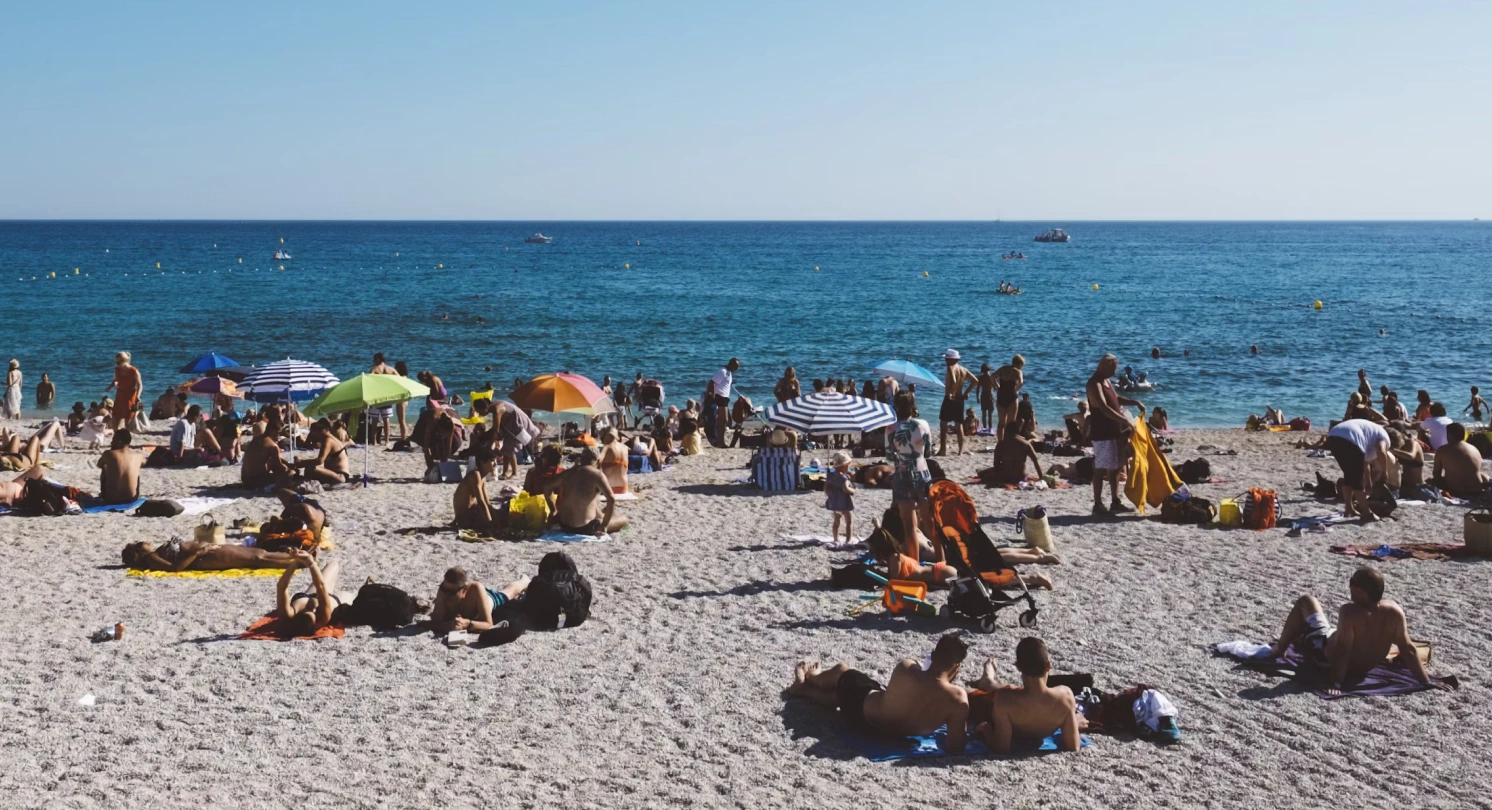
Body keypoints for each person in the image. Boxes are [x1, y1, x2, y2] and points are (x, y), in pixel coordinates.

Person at [1267, 567, 1448, 696]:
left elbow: (1343, 651)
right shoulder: (1394, 612)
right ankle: (1296, 637)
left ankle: (1279, 649)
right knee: (1317, 629)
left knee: (1306, 601)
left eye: (1352, 583)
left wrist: (1335, 683)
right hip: (1362, 666)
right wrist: (1425, 681)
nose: (1350, 586)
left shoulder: (1350, 612)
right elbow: (1408, 649)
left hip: (1323, 653)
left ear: (1359, 591)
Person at [784, 634, 972, 753]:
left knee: (843, 671)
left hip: (863, 717)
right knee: (837, 697)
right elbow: (954, 746)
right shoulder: (958, 700)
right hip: (895, 736)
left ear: (933, 655)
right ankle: (805, 690)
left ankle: (811, 678)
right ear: (957, 667)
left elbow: (920, 683)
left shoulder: (908, 668)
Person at [970, 637, 1084, 754]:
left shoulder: (1004, 699)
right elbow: (1073, 746)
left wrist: (986, 730)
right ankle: (988, 681)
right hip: (1044, 703)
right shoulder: (1066, 696)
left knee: (976, 694)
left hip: (1016, 703)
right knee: (1014, 689)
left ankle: (988, 681)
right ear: (1048, 666)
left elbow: (1002, 748)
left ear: (1018, 667)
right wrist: (1073, 722)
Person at [1085, 355, 1142, 516]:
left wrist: (1134, 402)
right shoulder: (1094, 383)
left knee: (1115, 467)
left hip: (1115, 431)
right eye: (1112, 368)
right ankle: (1097, 504)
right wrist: (1124, 420)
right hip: (1102, 432)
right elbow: (1103, 407)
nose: (1114, 372)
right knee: (1100, 468)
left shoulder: (1106, 381)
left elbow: (1115, 399)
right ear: (1103, 366)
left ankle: (1115, 501)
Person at [886, 393, 936, 560]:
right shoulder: (923, 424)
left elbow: (888, 456)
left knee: (909, 525)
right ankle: (942, 559)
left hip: (903, 474)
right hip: (923, 473)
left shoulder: (891, 427)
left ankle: (914, 563)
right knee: (930, 522)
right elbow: (928, 451)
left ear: (897, 406)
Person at [541, 447, 628, 535]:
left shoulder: (568, 472)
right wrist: (604, 526)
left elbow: (547, 487)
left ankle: (601, 516)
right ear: (598, 461)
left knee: (591, 497)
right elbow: (611, 499)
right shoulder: (597, 475)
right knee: (623, 519)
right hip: (586, 527)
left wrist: (553, 510)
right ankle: (602, 521)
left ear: (581, 458)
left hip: (564, 525)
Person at [1326, 418, 1392, 522]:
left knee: (1349, 476)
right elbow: (1381, 450)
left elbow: (1365, 463)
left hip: (1333, 436)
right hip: (1350, 437)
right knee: (1357, 480)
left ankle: (1349, 509)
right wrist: (1385, 473)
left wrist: (1369, 482)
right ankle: (1366, 513)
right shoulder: (1384, 437)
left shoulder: (1369, 436)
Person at [430, 567, 531, 634]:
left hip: (489, 599)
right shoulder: (444, 590)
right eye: (444, 590)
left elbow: (488, 624)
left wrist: (468, 624)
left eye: (452, 593)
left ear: (464, 590)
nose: (446, 595)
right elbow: (434, 622)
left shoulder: (476, 589)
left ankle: (525, 581)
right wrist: (446, 626)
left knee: (508, 593)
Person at [273, 550, 348, 637]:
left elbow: (281, 587)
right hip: (333, 600)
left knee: (333, 564)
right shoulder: (323, 617)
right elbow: (321, 586)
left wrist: (297, 562)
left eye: (307, 610)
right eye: (314, 613)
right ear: (315, 624)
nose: (313, 609)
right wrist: (311, 563)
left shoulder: (289, 614)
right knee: (355, 595)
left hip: (311, 593)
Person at [122, 539, 303, 572]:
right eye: (139, 545)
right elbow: (175, 568)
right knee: (254, 559)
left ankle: (297, 557)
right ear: (139, 554)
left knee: (258, 553)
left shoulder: (154, 553)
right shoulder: (151, 558)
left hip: (206, 551)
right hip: (204, 557)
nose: (144, 542)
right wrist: (198, 552)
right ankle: (297, 564)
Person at [938, 350, 978, 456]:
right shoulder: (963, 369)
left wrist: (951, 392)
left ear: (952, 359)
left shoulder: (951, 367)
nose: (945, 360)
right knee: (959, 424)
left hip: (951, 398)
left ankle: (943, 450)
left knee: (943, 423)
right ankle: (960, 450)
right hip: (960, 398)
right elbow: (975, 381)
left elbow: (954, 381)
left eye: (947, 358)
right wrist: (965, 393)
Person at [1432, 423, 1486, 499]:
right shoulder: (1474, 448)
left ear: (1450, 434)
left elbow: (1436, 474)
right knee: (1482, 475)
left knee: (1432, 481)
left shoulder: (1443, 450)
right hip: (1477, 490)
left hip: (1457, 491)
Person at [454, 450, 500, 531]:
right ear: (482, 463)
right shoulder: (475, 475)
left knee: (502, 515)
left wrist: (495, 516)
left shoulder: (483, 478)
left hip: (472, 513)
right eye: (492, 461)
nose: (495, 464)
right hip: (465, 518)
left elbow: (487, 503)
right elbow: (481, 502)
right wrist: (490, 524)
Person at [296, 419, 351, 485]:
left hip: (340, 476)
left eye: (320, 429)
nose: (318, 431)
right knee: (311, 467)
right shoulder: (331, 438)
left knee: (310, 468)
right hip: (339, 475)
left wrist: (302, 462)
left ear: (327, 429)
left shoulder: (328, 440)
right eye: (317, 428)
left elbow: (320, 461)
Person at [97, 429, 143, 504]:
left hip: (110, 499)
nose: (111, 442)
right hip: (131, 498)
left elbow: (99, 464)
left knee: (104, 468)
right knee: (136, 471)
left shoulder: (108, 453)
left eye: (113, 440)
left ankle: (104, 493)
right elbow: (144, 463)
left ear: (119, 442)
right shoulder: (138, 456)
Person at [0, 422, 65, 472]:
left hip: (14, 455)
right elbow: (30, 465)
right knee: (55, 424)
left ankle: (62, 446)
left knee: (16, 437)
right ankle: (63, 447)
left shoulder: (7, 456)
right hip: (28, 456)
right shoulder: (14, 461)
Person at [367, 353, 401, 444]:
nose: (373, 361)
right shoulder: (391, 369)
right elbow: (400, 380)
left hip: (376, 397)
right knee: (386, 421)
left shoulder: (374, 369)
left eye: (374, 359)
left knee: (374, 421)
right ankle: (386, 440)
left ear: (378, 359)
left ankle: (374, 441)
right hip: (387, 397)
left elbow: (368, 382)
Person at [104, 352, 142, 430]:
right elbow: (116, 380)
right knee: (115, 417)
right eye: (116, 361)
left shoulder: (133, 370)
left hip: (130, 395)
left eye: (118, 361)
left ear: (124, 360)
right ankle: (116, 434)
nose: (117, 363)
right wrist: (110, 386)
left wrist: (138, 396)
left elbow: (140, 385)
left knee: (128, 419)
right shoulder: (117, 369)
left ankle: (125, 435)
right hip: (120, 394)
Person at [824, 451, 856, 545]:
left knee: (836, 521)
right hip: (844, 502)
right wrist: (853, 491)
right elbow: (845, 488)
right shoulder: (844, 477)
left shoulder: (830, 475)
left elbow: (826, 486)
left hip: (834, 501)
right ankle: (848, 540)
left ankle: (835, 539)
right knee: (849, 521)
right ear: (844, 465)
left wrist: (829, 494)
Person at [993, 355, 1025, 440]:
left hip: (1001, 396)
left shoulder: (1003, 369)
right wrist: (1016, 390)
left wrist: (997, 386)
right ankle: (1008, 442)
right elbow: (1021, 382)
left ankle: (1000, 443)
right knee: (1010, 424)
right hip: (1011, 397)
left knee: (1001, 423)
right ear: (1020, 364)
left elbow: (992, 377)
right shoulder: (1018, 371)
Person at [709, 359, 739, 447]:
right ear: (731, 364)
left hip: (725, 398)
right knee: (724, 420)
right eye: (736, 367)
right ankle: (720, 442)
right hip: (720, 397)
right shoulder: (723, 371)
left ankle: (719, 441)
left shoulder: (729, 373)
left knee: (722, 421)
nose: (736, 369)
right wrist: (711, 396)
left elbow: (724, 384)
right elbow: (711, 383)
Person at [597, 427, 630, 495]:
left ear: (607, 436)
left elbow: (596, 462)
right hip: (623, 487)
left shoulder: (607, 447)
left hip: (607, 487)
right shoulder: (625, 447)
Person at [976, 364, 996, 431]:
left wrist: (977, 397)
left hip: (983, 395)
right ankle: (990, 428)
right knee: (990, 414)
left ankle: (984, 428)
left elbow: (978, 388)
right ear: (989, 370)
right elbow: (997, 387)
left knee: (984, 413)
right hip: (990, 395)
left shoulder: (981, 378)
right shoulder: (991, 377)